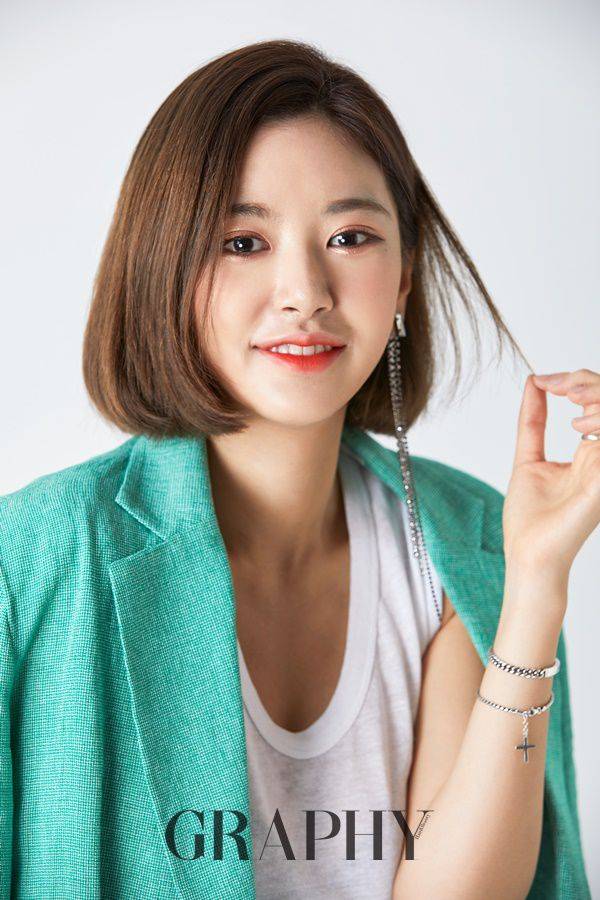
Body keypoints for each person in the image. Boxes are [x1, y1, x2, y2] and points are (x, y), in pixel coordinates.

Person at [0, 38, 596, 900]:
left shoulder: (470, 541)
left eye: (350, 237)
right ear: (164, 268)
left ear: (404, 278)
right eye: (243, 241)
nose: (305, 290)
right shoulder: (33, 558)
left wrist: (534, 583)